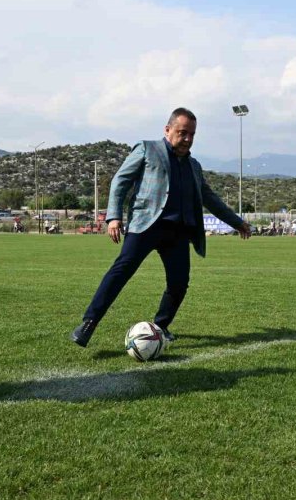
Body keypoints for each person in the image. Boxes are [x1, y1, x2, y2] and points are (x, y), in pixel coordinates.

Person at [70, 108, 251, 347]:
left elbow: (210, 198)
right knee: (121, 271)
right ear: (167, 130)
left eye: (192, 134)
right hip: (146, 226)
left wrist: (237, 222)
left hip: (178, 233)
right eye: (182, 132)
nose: (187, 139)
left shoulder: (194, 166)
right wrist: (114, 217)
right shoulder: (147, 149)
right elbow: (120, 181)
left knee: (179, 283)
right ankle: (89, 323)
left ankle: (160, 327)